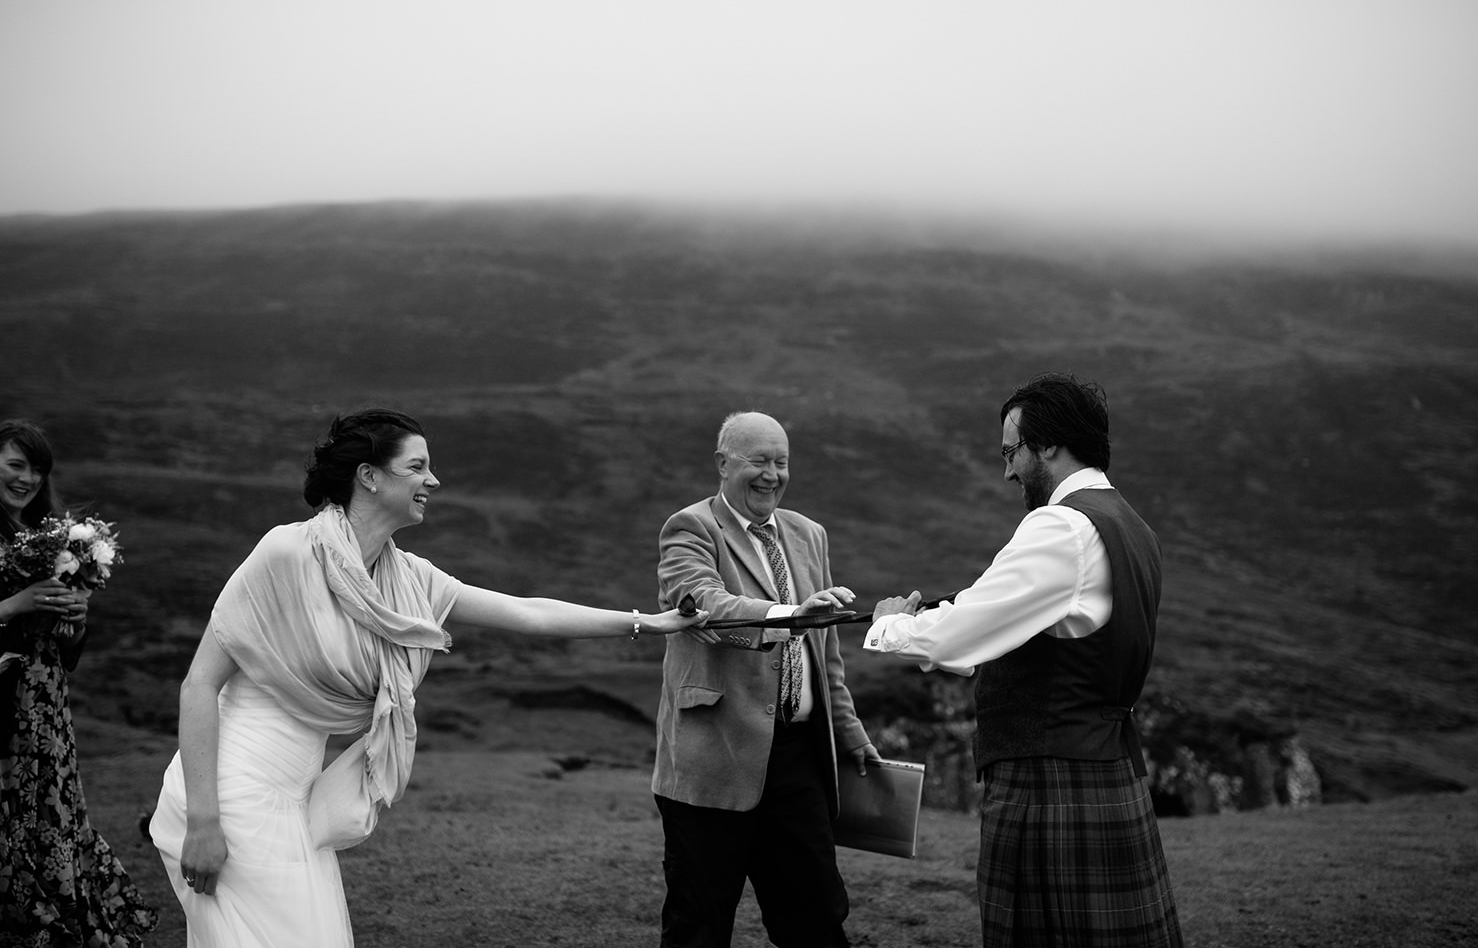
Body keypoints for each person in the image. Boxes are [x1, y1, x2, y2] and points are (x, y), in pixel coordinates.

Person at [148, 408, 706, 948]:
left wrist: (646, 622)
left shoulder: (410, 580)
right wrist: (204, 821)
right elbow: (200, 685)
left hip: (295, 804)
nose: (432, 480)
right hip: (228, 792)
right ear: (368, 476)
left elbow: (528, 613)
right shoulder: (287, 553)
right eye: (416, 467)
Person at [864, 373, 1183, 947]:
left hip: (1050, 776)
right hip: (1105, 766)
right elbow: (1015, 627)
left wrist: (892, 624)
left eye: (1012, 451)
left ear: (1050, 446)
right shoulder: (1133, 526)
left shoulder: (1062, 526)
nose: (1008, 470)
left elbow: (959, 635)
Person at [653, 410, 879, 948]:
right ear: (722, 463)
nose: (771, 474)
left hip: (799, 761)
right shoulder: (689, 528)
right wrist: (791, 615)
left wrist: (852, 736)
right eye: (759, 461)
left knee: (817, 920)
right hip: (713, 759)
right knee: (698, 927)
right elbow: (703, 602)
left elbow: (826, 657)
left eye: (781, 462)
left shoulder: (809, 534)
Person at [0, 419, 159, 947]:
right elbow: (18, 610)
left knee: (50, 806)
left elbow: (66, 649)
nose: (26, 478)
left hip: (43, 698)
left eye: (36, 469)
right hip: (2, 692)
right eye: (16, 464)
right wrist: (16, 604)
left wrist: (74, 619)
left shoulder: (47, 538)